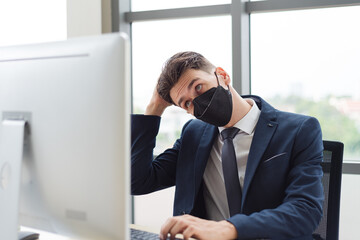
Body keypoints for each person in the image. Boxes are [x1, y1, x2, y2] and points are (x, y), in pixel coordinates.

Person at [131, 52, 324, 240]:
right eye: (187, 103)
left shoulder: (300, 130)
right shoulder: (193, 134)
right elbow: (138, 181)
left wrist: (227, 229)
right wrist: (154, 109)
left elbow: (305, 210)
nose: (197, 102)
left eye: (198, 87)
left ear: (222, 76)